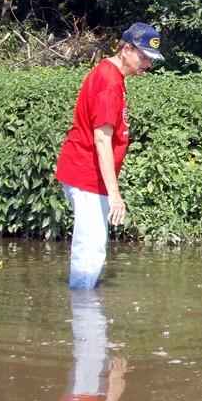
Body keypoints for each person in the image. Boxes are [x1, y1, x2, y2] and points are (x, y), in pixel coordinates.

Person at [56, 22, 164, 290]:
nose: (148, 65)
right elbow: (102, 140)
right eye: (144, 57)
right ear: (126, 49)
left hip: (90, 175)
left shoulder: (114, 78)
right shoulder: (108, 83)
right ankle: (83, 315)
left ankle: (85, 312)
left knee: (94, 245)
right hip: (85, 173)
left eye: (151, 60)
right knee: (90, 248)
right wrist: (115, 196)